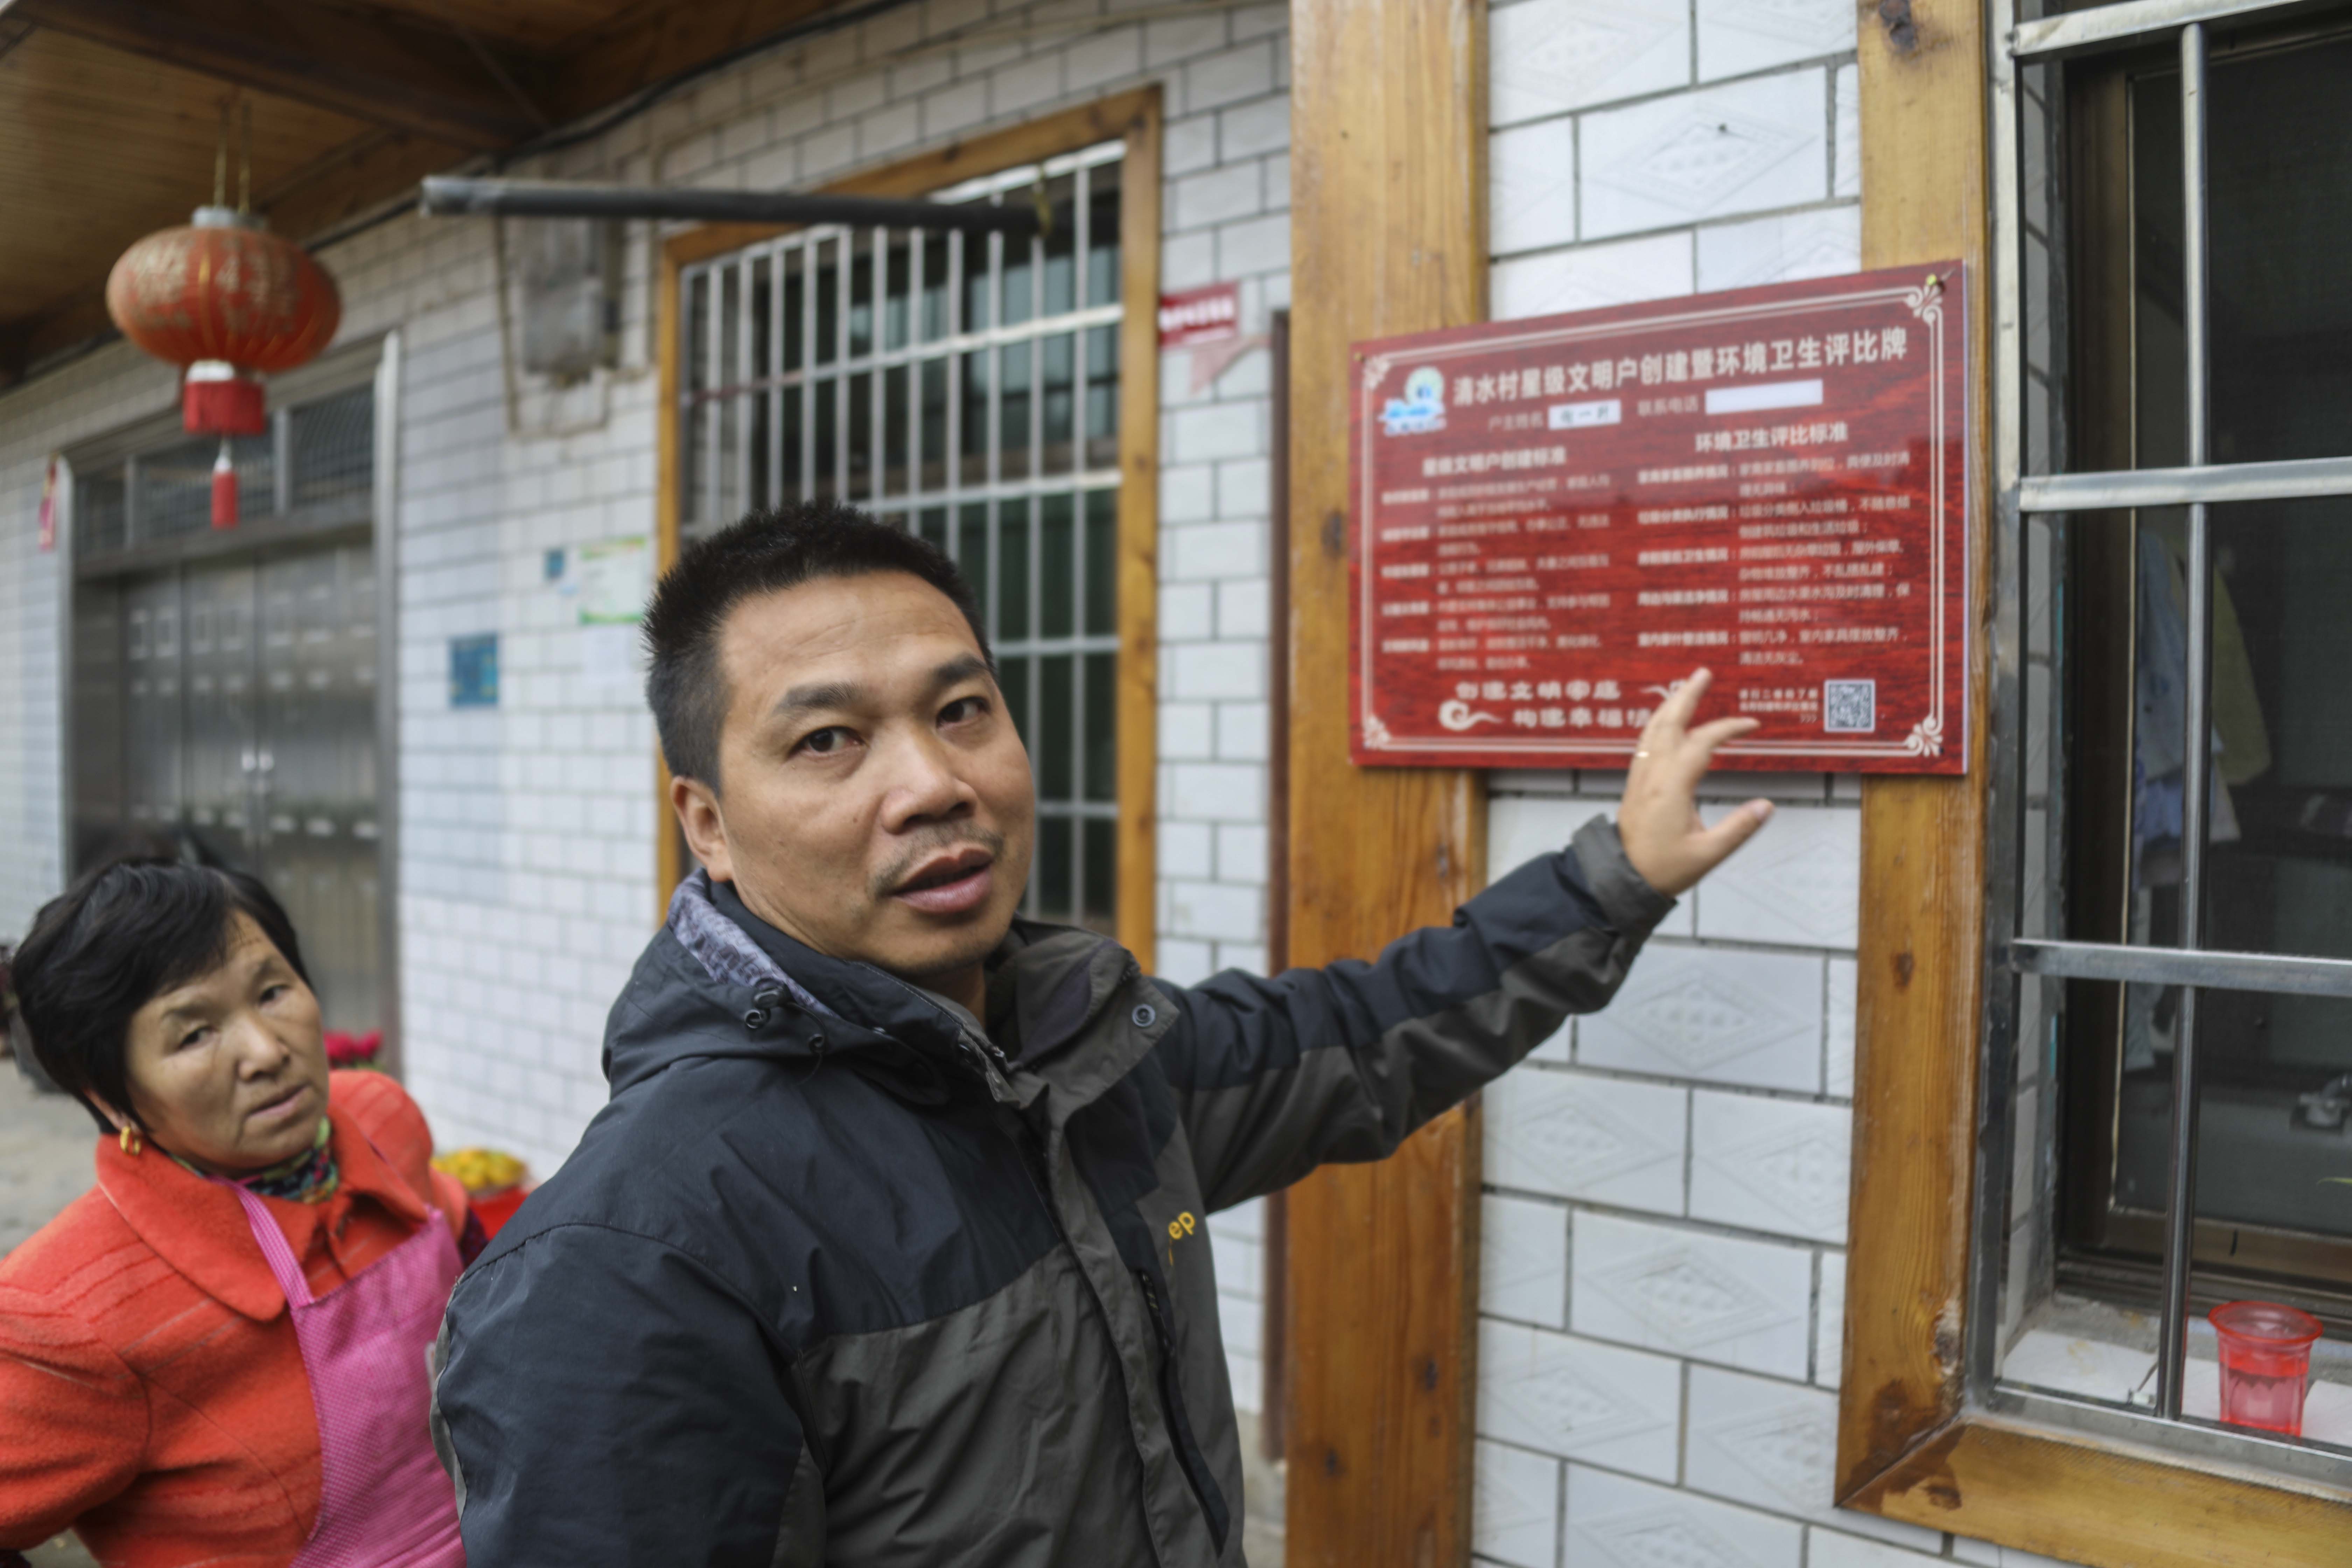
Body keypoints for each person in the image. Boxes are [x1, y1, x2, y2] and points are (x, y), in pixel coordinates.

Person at [429, 500, 1773, 1567]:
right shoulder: (636, 1258)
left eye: (962, 712)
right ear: (707, 824)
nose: (935, 785)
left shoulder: (1095, 1057)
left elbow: (1367, 1032)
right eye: (831, 740)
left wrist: (1614, 878)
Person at [0, 860, 476, 1568]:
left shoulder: (382, 1120)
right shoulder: (70, 1312)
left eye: (274, 990)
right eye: (194, 1033)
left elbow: (476, 1258)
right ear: (109, 1095)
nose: (266, 1050)